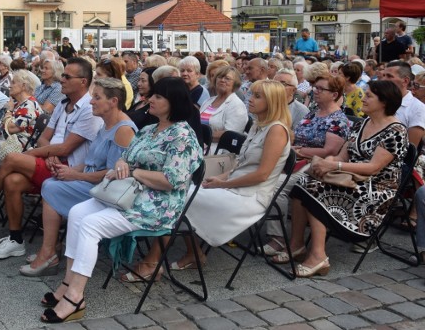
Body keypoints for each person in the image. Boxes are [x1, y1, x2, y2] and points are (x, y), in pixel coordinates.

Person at [39, 77, 202, 323]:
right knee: (77, 213)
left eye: (158, 96)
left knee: (90, 224)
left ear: (174, 102)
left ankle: (75, 296)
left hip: (156, 205)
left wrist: (134, 172)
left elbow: (173, 180)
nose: (150, 99)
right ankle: (67, 282)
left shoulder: (182, 136)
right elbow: (124, 158)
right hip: (129, 194)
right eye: (152, 95)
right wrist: (123, 164)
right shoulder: (149, 129)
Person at [143, 80, 291, 274]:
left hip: (250, 196)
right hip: (235, 187)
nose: (249, 99)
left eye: (257, 96)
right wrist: (219, 178)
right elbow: (241, 164)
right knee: (182, 194)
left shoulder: (276, 130)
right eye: (251, 94)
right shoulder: (258, 125)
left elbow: (261, 175)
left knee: (181, 199)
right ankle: (192, 252)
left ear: (272, 101)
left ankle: (153, 262)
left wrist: (224, 183)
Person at [0, 58, 103, 259]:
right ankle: (16, 240)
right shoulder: (63, 104)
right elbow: (45, 138)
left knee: (11, 159)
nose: (62, 80)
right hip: (52, 159)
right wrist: (50, 153)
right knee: (12, 181)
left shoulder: (89, 109)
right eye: (63, 75)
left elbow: (67, 147)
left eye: (67, 76)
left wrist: (36, 153)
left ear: (83, 81)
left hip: (70, 168)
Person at [282, 80, 408, 277]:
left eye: (368, 96)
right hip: (350, 176)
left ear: (384, 102)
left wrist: (334, 165)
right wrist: (327, 163)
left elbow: (374, 168)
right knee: (303, 183)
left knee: (315, 189)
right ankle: (297, 244)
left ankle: (318, 256)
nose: (362, 98)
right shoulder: (364, 122)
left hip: (375, 188)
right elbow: (342, 155)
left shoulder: (396, 131)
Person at [21, 78, 136, 276]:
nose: (91, 102)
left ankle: (49, 252)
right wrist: (70, 171)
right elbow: (92, 162)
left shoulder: (123, 130)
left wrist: (75, 174)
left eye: (97, 97)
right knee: (53, 182)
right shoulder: (107, 124)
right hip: (94, 182)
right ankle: (50, 250)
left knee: (50, 186)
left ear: (113, 101)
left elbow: (114, 175)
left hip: (108, 191)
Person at [262, 75, 349, 256]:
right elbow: (295, 135)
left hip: (315, 164)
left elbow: (329, 151)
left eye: (320, 89)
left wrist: (299, 151)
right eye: (314, 87)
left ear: (334, 94)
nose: (314, 91)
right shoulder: (313, 112)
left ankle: (278, 237)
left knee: (276, 186)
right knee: (263, 177)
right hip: (294, 157)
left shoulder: (338, 120)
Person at [0, 70, 42, 171]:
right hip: (6, 140)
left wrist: (9, 110)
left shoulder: (29, 105)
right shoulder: (19, 103)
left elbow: (11, 128)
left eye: (13, 82)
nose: (10, 85)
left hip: (16, 145)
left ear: (23, 86)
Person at [198, 66, 248, 150]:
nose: (222, 80)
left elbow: (229, 135)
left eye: (227, 78)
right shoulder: (208, 101)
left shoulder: (237, 105)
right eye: (220, 77)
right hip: (199, 145)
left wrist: (199, 135)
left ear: (235, 83)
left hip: (217, 152)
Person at [380, 61, 425, 146]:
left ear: (405, 81)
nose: (384, 80)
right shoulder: (380, 100)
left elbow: (410, 148)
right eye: (384, 75)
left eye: (389, 76)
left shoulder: (418, 108)